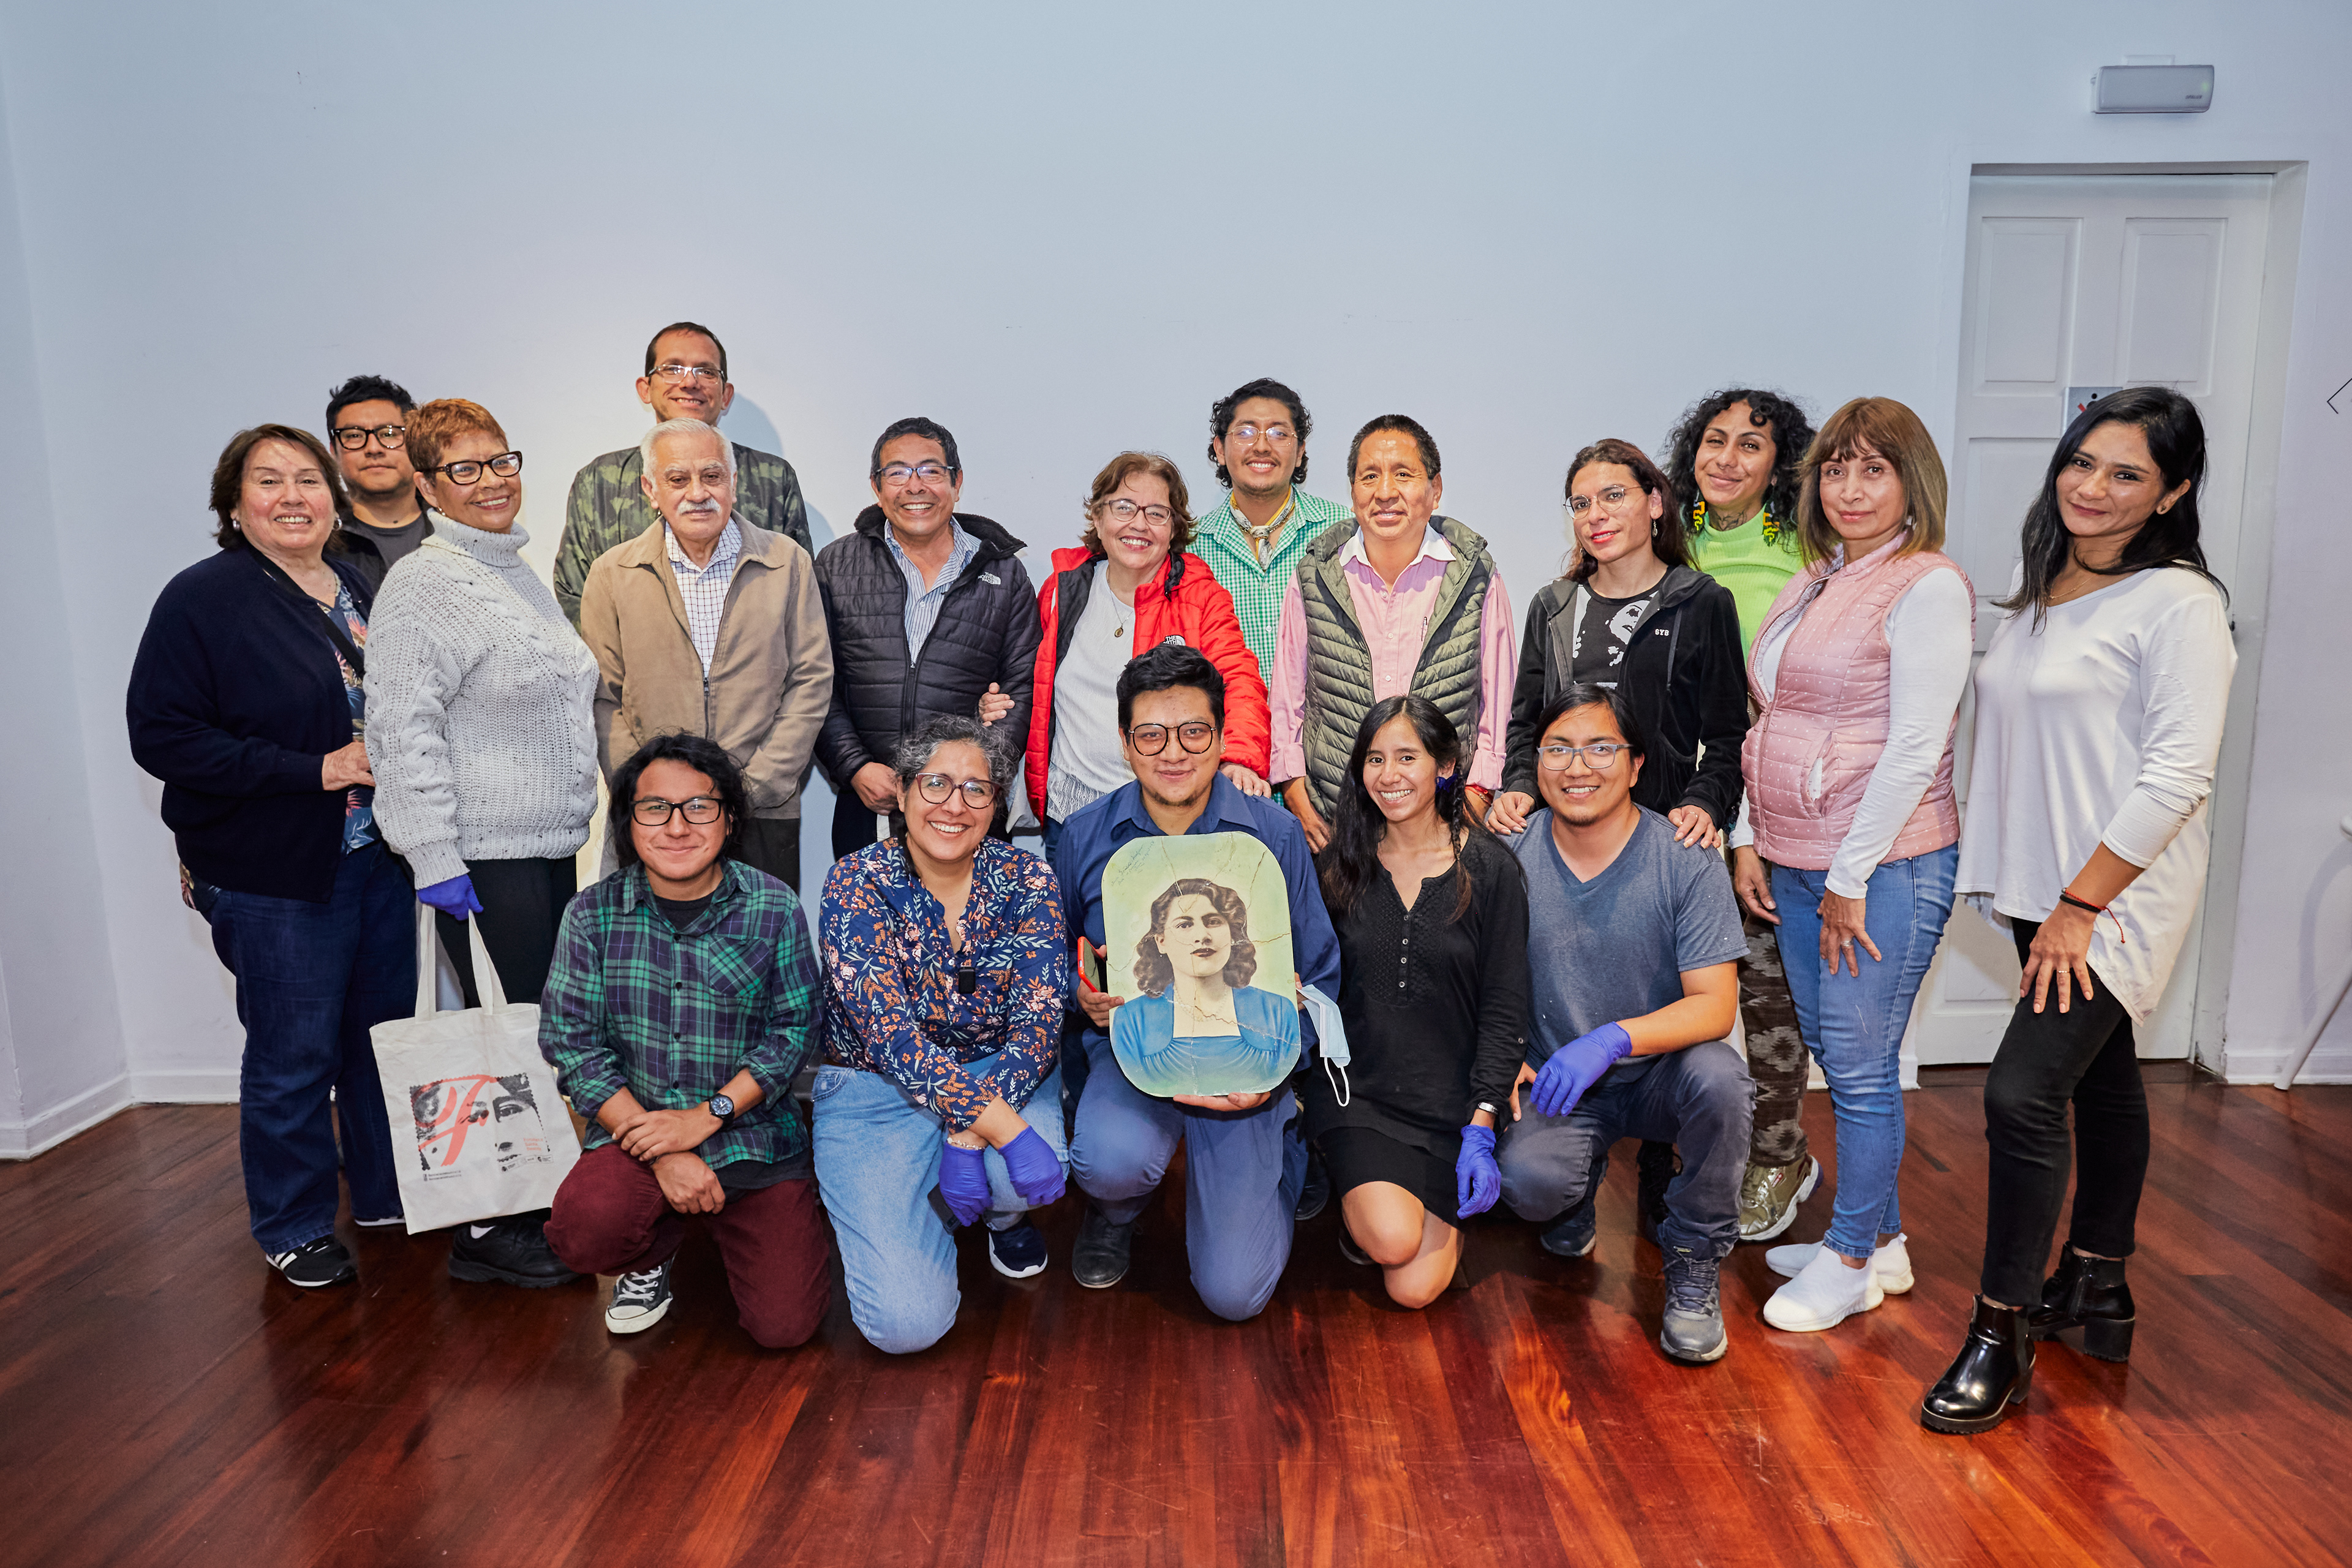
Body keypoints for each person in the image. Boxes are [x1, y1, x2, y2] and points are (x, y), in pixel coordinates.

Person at [1921, 388, 2234, 1434]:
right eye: (2083, 462)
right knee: (2102, 1080)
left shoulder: (2179, 605)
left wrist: (2081, 903)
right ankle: (2098, 1286)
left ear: (2172, 494)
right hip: (2044, 885)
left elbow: (2179, 774)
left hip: (2111, 895)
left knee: (2019, 1095)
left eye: (2127, 474)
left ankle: (2000, 1330)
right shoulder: (2047, 585)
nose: (2093, 488)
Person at [127, 425, 409, 1288]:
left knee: (378, 1042)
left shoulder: (359, 582)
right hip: (275, 872)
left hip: (380, 860)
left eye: (309, 479)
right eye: (269, 480)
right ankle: (293, 1224)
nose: (293, 496)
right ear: (234, 503)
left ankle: (385, 1194)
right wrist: (314, 770)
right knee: (294, 1056)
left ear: (335, 496)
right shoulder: (203, 598)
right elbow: (163, 736)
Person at [1724, 397, 1972, 1335]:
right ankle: (1887, 1239)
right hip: (1796, 856)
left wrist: (1849, 877)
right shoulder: (1821, 576)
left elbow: (1915, 747)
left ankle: (1853, 1258)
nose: (1851, 488)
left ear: (1914, 481)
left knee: (1863, 1070)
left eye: (1874, 469)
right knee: (1837, 1054)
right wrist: (1751, 833)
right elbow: (1773, 719)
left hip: (1881, 869)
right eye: (1836, 469)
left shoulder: (1929, 586)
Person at [363, 397, 597, 1289]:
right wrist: (432, 857)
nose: (492, 481)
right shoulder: (424, 585)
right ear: (427, 487)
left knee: (532, 1032)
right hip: (484, 856)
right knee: (507, 1040)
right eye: (465, 469)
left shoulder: (512, 570)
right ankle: (491, 1227)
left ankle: (530, 1204)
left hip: (544, 847)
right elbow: (400, 732)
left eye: (501, 461)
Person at [1060, 645, 1342, 1319]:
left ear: (1220, 736)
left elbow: (1321, 973)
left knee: (1234, 1295)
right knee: (1107, 1162)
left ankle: (1284, 1146)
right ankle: (1116, 1211)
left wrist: (1277, 1069)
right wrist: (1081, 993)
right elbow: (1058, 957)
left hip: (1248, 1062)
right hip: (1136, 1054)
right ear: (1125, 742)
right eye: (1151, 734)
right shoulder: (1083, 836)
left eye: (1194, 731)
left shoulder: (1274, 834)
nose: (1173, 752)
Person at [539, 734, 831, 1347]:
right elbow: (573, 1045)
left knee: (785, 1328)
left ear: (729, 819)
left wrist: (706, 1117)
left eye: (699, 806)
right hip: (638, 1132)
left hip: (752, 1138)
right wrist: (664, 1153)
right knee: (584, 1233)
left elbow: (795, 1032)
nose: (677, 826)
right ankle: (656, 1248)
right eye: (655, 808)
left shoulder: (774, 908)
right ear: (629, 821)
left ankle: (720, 1220)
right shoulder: (591, 914)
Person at [1494, 684, 1749, 1363]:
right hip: (1558, 1080)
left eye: (1601, 748)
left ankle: (1694, 1258)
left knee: (1723, 1081)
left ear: (1636, 765)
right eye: (1558, 749)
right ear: (1536, 764)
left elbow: (1716, 1005)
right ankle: (1574, 1192)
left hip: (1661, 1073)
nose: (1578, 767)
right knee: (1530, 1185)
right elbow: (1477, 979)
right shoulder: (1510, 853)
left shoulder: (1685, 855)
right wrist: (1502, 1055)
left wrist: (1612, 1040)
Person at [813, 715, 1070, 1352]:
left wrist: (968, 1128)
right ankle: (934, 1212)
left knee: (1020, 1176)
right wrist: (1003, 1127)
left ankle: (996, 1214)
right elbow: (891, 1040)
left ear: (997, 804)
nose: (955, 805)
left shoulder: (1030, 879)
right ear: (901, 793)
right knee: (906, 1328)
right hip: (876, 1090)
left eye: (977, 789)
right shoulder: (854, 881)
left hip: (1000, 1069)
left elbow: (1040, 1021)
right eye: (935, 784)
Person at [1662, 388, 1823, 1244]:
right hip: (1668, 803)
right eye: (1713, 441)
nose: (1726, 459)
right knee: (1667, 989)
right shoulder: (1669, 539)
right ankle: (1682, 1147)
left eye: (1750, 445)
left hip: (1761, 801)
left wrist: (1749, 824)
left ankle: (1780, 1154)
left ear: (1780, 464)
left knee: (1765, 994)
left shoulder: (1806, 551)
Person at [1306, 696, 1529, 1309]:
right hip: (1358, 1095)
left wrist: (1483, 1121)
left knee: (1413, 1290)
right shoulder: (1337, 867)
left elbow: (1506, 1006)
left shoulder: (1491, 871)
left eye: (1408, 757)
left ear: (1446, 765)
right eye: (1375, 759)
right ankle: (1359, 1194)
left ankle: (1406, 1199)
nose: (1390, 774)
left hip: (1451, 1103)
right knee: (1392, 1240)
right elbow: (1309, 984)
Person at [579, 419, 831, 889]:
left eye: (712, 476)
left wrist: (749, 790)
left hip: (761, 811)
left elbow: (811, 680)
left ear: (733, 483)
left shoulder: (786, 562)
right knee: (654, 938)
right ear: (651, 490)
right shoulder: (612, 573)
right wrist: (651, 795)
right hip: (655, 819)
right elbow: (602, 698)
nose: (698, 493)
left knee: (758, 936)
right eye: (678, 479)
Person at [1269, 415, 1515, 852]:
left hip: (1446, 829)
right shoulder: (1315, 574)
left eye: (1403, 474)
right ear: (1353, 492)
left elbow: (1498, 704)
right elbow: (1288, 697)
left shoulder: (1475, 575)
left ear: (1435, 490)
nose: (1384, 492)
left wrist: (1475, 802)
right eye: (1369, 476)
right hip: (1336, 828)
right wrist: (1296, 795)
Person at [1026, 451, 1271, 861]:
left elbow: (1240, 680)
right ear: (1098, 518)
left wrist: (1239, 760)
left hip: (1164, 817)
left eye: (1157, 513)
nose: (1139, 524)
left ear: (1173, 529)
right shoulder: (1061, 589)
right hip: (1071, 818)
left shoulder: (1202, 598)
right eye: (1123, 507)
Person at [815, 416, 1039, 861]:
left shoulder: (1003, 573)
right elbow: (815, 681)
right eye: (897, 472)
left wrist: (979, 778)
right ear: (877, 487)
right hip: (871, 800)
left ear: (957, 483)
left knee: (973, 910)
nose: (915, 486)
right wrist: (854, 766)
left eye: (931, 471)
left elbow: (1023, 686)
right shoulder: (837, 565)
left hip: (967, 806)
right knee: (869, 908)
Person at [552, 320, 812, 627]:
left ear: (726, 395)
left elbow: (802, 589)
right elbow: (576, 593)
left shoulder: (773, 478)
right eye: (672, 369)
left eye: (706, 371)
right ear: (645, 388)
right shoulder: (599, 481)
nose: (689, 382)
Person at [1187, 378, 1355, 677]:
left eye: (1279, 433)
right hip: (1231, 708)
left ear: (1300, 451)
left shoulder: (1344, 532)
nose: (1262, 446)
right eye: (1245, 432)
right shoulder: (1191, 547)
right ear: (1220, 449)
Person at [1112, 878, 1298, 1096]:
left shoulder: (1278, 1012)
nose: (1202, 936)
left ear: (1232, 934)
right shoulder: (1132, 1020)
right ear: (1161, 941)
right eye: (1184, 925)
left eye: (1213, 922)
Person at [323, 374, 431, 592]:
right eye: (354, 435)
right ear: (334, 451)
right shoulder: (319, 538)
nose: (373, 448)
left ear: (416, 443)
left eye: (389, 434)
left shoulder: (456, 526)